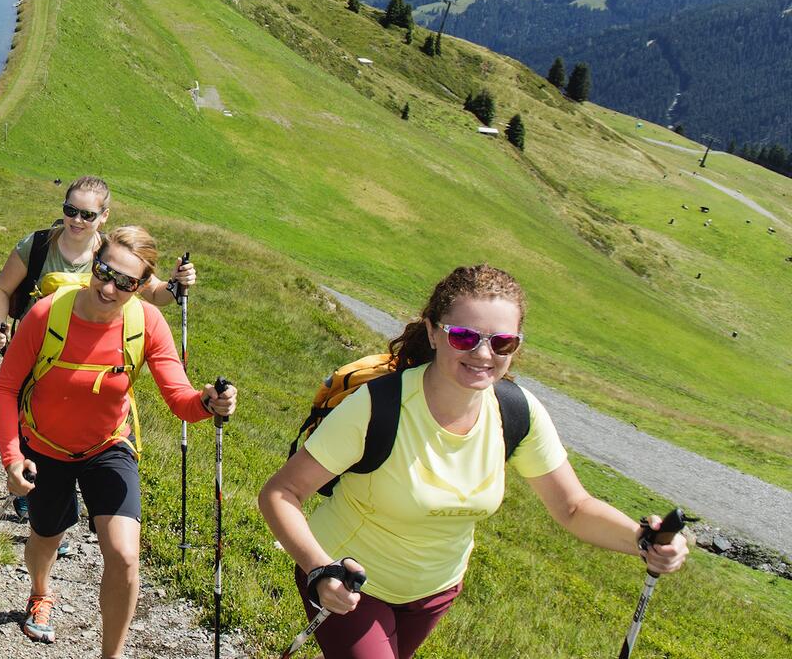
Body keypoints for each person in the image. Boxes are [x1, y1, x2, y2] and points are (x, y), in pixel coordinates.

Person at [256, 265, 690, 659]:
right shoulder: (378, 406)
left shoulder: (519, 413)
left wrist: (641, 539)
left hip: (434, 594)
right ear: (432, 331)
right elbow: (281, 492)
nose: (483, 355)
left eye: (502, 342)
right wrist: (319, 568)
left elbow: (573, 508)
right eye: (464, 336)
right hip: (350, 580)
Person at [0, 226, 236, 657]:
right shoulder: (47, 314)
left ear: (141, 286)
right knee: (46, 536)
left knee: (125, 556)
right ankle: (40, 591)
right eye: (104, 272)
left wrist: (208, 402)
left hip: (108, 445)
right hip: (46, 446)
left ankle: (112, 654)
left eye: (126, 283)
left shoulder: (147, 322)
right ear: (93, 262)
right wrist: (12, 458)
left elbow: (180, 400)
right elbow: (7, 387)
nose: (109, 288)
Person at [0, 175, 197, 520]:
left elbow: (154, 293)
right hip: (39, 349)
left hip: (95, 354)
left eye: (87, 214)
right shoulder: (38, 245)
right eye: (71, 210)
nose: (77, 220)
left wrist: (177, 283)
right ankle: (36, 491)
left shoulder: (114, 254)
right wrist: (0, 326)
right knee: (36, 416)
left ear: (104, 216)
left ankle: (60, 496)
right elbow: (1, 288)